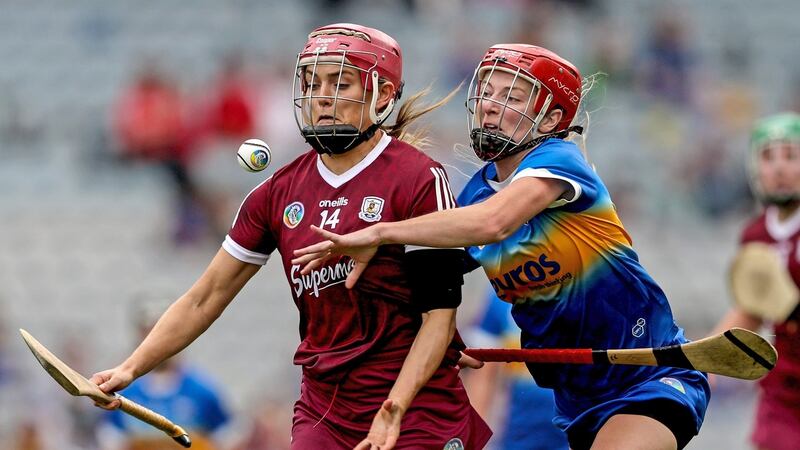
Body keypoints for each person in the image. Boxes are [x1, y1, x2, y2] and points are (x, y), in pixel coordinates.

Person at [90, 23, 491, 450]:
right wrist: (131, 369)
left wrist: (393, 409)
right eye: (312, 82)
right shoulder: (276, 193)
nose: (321, 95)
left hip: (415, 408)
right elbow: (204, 298)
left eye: (340, 82)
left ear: (382, 95)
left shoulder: (417, 179)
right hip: (326, 411)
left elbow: (439, 319)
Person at [292, 43, 711, 450]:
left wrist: (382, 232)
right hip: (577, 399)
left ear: (548, 120)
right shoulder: (472, 197)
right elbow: (427, 284)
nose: (491, 104)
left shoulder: (560, 162)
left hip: (649, 376)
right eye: (488, 91)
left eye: (511, 95)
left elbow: (495, 223)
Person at [711, 112, 800, 450]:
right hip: (786, 389)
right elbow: (752, 309)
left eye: (791, 156)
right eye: (768, 157)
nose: (779, 168)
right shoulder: (756, 235)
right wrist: (702, 358)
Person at [96, 298, 232, 450]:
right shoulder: (124, 392)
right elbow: (110, 435)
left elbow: (226, 434)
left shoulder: (203, 390)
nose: (157, 342)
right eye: (148, 332)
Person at [463, 288, 568, 450]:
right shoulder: (501, 294)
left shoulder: (589, 288)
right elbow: (481, 379)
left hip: (576, 435)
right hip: (519, 437)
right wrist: (472, 441)